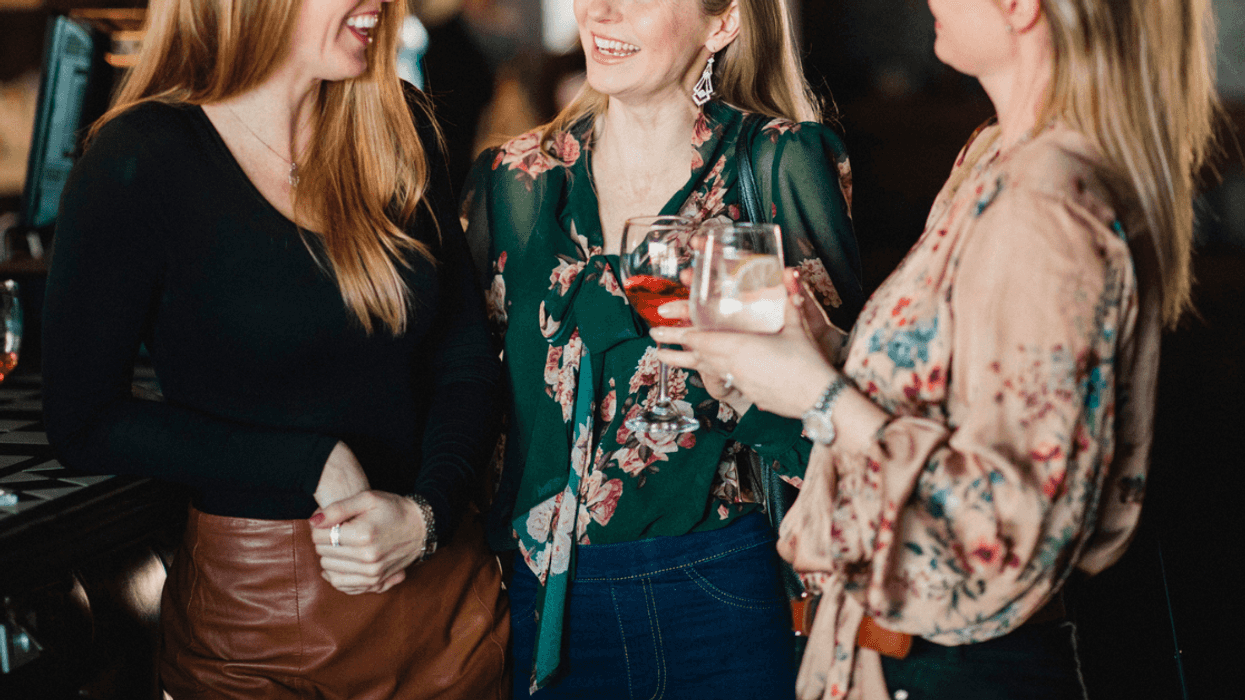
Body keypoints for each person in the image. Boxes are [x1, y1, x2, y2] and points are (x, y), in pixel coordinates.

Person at [655, 0, 1222, 698]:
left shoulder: (1045, 203)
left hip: (956, 668)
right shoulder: (992, 156)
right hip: (897, 658)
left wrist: (815, 393)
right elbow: (960, 400)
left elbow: (1003, 524)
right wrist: (824, 348)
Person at [41, 0, 508, 697]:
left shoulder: (397, 123)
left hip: (445, 609)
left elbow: (463, 359)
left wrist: (426, 515)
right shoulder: (139, 158)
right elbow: (85, 419)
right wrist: (309, 461)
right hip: (260, 626)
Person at [460, 0, 864, 697]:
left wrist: (744, 387)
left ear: (722, 24)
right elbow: (469, 394)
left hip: (720, 589)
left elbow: (836, 414)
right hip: (545, 602)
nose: (600, 11)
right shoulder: (520, 183)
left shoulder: (764, 168)